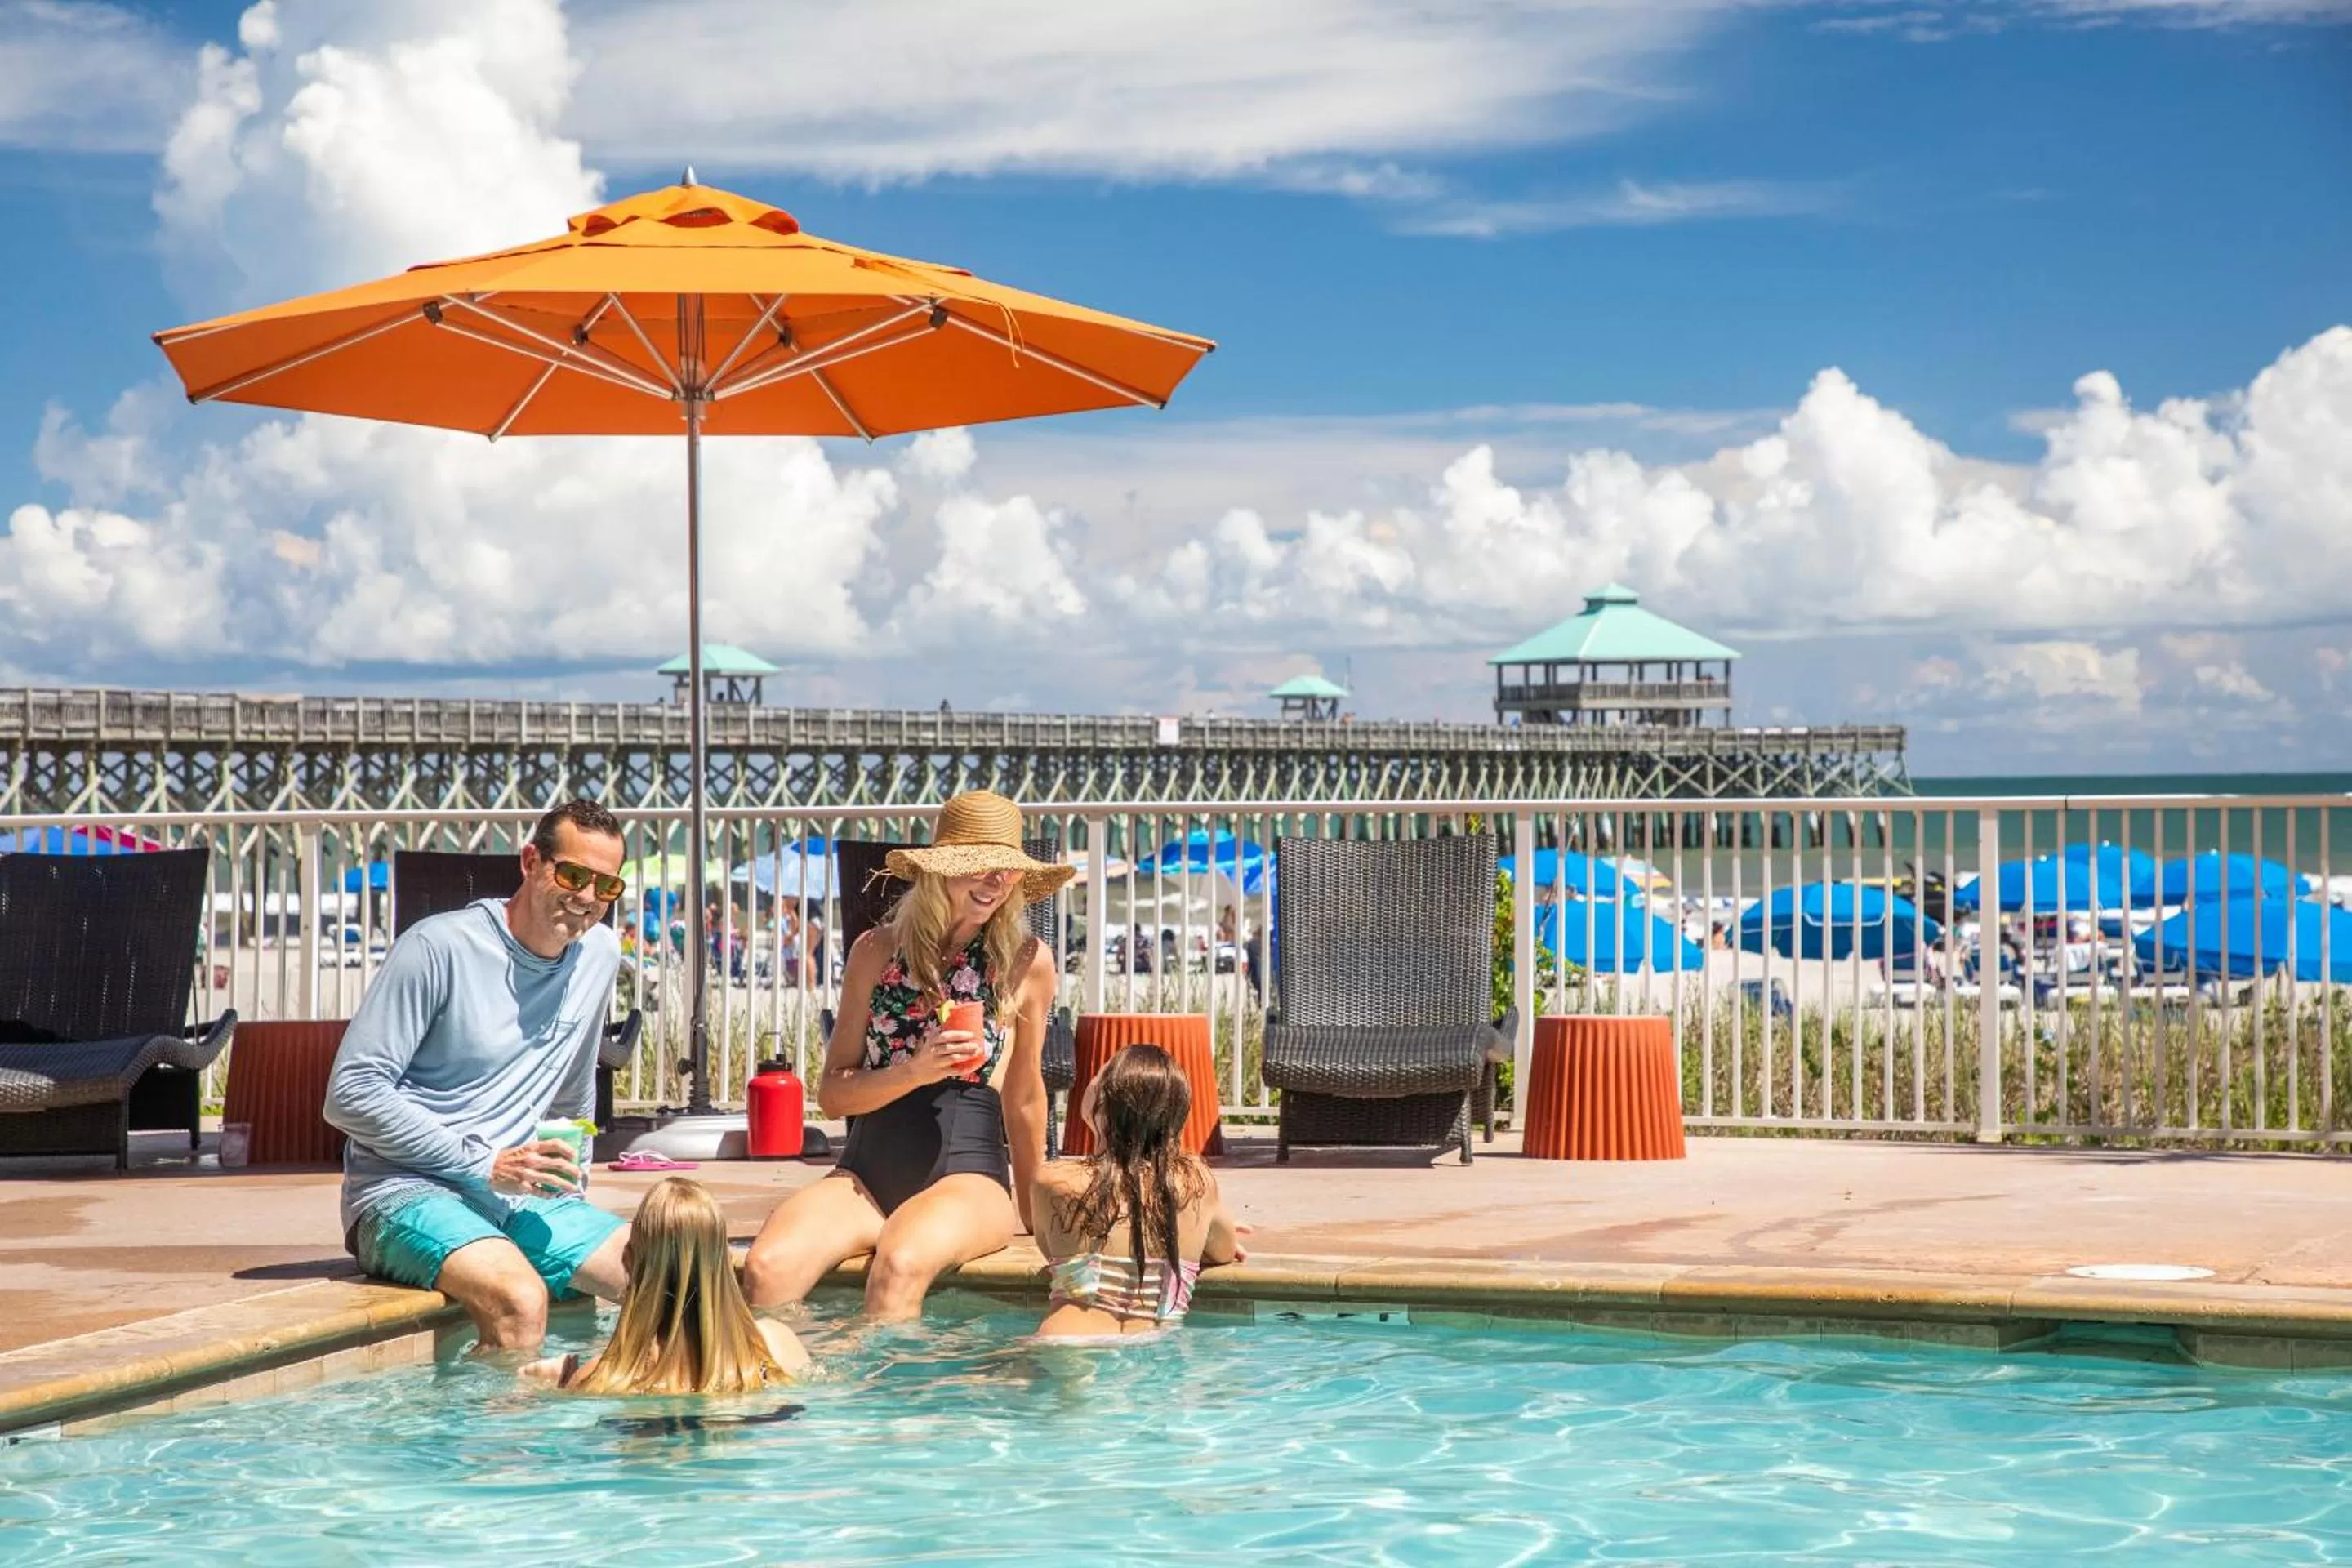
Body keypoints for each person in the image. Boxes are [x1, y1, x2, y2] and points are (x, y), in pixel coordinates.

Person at [324, 799, 632, 1352]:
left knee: (671, 1282)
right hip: (404, 1193)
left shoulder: (600, 954)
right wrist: (483, 1164)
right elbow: (351, 1093)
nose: (587, 898)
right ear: (531, 861)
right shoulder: (437, 946)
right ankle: (495, 1439)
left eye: (606, 886)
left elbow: (572, 1089)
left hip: (522, 1197)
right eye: (572, 874)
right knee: (520, 1299)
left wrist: (572, 1179)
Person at [743, 790, 1062, 1320]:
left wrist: (1037, 1215)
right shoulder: (876, 951)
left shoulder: (1027, 960)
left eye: (1006, 870)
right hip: (868, 1170)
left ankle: (887, 1404)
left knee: (901, 1262)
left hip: (968, 1175)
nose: (996, 882)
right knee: (766, 1267)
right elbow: (834, 1094)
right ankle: (782, 1397)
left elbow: (1026, 1096)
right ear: (942, 871)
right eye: (981, 866)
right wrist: (914, 1070)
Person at [1031, 1044, 1245, 1339]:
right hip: (1152, 1348)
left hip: (1068, 1342)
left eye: (1100, 1072)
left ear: (1104, 1100)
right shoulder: (1196, 1184)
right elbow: (1223, 1251)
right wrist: (1204, 1228)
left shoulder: (1055, 1182)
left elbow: (1052, 1250)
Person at [523, 1177, 808, 1392]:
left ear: (629, 1260)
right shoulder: (777, 1345)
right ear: (724, 1259)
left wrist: (552, 1384)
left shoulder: (605, 1377)